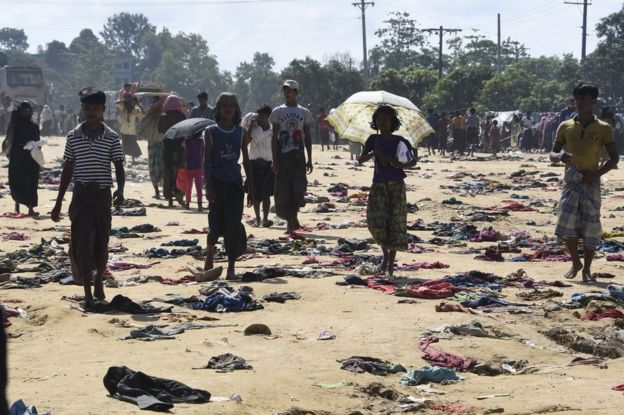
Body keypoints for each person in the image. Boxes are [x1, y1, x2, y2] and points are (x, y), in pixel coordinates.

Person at [51, 88, 125, 306]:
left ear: (103, 110)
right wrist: (58, 203)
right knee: (81, 241)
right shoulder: (73, 136)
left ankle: (99, 280)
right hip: (81, 195)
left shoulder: (111, 137)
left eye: (96, 109)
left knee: (101, 240)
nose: (91, 112)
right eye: (88, 108)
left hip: (102, 195)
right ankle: (86, 291)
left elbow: (119, 165)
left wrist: (120, 190)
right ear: (83, 109)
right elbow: (68, 168)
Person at [550, 81, 619, 283]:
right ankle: (575, 261)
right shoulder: (566, 126)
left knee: (590, 225)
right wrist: (560, 155)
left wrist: (595, 174)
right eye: (577, 99)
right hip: (571, 182)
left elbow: (614, 158)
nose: (579, 103)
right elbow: (552, 153)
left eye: (584, 99)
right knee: (567, 224)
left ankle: (587, 269)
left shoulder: (604, 128)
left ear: (593, 101)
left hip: (591, 181)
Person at [358, 105, 416, 277]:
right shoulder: (372, 140)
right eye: (379, 119)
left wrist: (399, 164)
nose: (382, 122)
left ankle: (391, 264)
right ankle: (385, 257)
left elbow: (412, 161)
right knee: (378, 222)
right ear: (375, 122)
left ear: (392, 122)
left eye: (386, 119)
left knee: (395, 223)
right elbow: (361, 159)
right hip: (378, 185)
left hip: (396, 185)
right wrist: (374, 153)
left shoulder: (400, 141)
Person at [204, 93, 251, 279]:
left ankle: (231, 267)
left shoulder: (241, 132)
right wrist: (208, 186)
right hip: (216, 183)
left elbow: (246, 161)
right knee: (215, 225)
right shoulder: (210, 132)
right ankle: (209, 254)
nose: (228, 108)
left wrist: (250, 185)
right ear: (219, 109)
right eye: (224, 105)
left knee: (233, 226)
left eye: (231, 105)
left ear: (236, 109)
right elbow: (206, 161)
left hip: (234, 185)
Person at [270, 80, 313, 233]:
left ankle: (294, 216)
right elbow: (274, 137)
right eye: (285, 90)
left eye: (290, 90)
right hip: (283, 157)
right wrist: (274, 160)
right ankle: (290, 221)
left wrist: (310, 159)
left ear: (296, 92)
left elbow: (307, 136)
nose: (287, 93)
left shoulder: (304, 112)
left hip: (298, 157)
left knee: (298, 189)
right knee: (283, 190)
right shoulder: (277, 112)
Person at [6, 101, 40, 216]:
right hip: (17, 157)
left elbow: (38, 141)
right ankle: (17, 207)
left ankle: (30, 208)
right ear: (20, 112)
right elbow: (9, 140)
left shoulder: (33, 125)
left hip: (31, 158)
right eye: (25, 111)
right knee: (17, 181)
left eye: (29, 111)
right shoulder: (15, 124)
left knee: (30, 182)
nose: (27, 113)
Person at [244, 104, 274, 227]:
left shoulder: (272, 131)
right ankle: (257, 218)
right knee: (255, 194)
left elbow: (275, 148)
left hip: (267, 165)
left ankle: (265, 219)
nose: (260, 119)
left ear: (268, 117)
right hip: (254, 165)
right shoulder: (254, 130)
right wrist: (250, 126)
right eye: (259, 116)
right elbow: (245, 143)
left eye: (263, 117)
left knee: (266, 195)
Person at [158, 95, 187, 207]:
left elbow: (159, 130)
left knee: (168, 172)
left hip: (167, 147)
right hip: (179, 148)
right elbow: (185, 132)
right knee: (178, 172)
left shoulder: (163, 116)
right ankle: (179, 194)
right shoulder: (182, 116)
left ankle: (170, 199)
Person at [140, 96, 165, 199]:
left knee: (162, 168)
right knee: (152, 168)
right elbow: (144, 120)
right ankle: (157, 191)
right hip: (152, 143)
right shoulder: (150, 114)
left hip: (161, 143)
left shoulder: (164, 114)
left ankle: (164, 190)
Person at [181, 131, 204, 211]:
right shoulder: (201, 141)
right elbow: (203, 153)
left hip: (189, 167)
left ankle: (187, 204)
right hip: (199, 166)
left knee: (188, 187)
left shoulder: (187, 142)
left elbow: (184, 153)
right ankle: (200, 205)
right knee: (199, 187)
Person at [118, 96, 143, 163]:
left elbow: (142, 115)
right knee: (124, 144)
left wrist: (139, 106)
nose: (133, 103)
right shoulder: (124, 108)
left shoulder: (136, 109)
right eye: (132, 102)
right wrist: (125, 100)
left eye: (135, 102)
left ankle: (133, 160)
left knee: (132, 144)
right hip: (124, 130)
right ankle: (124, 159)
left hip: (132, 130)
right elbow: (117, 103)